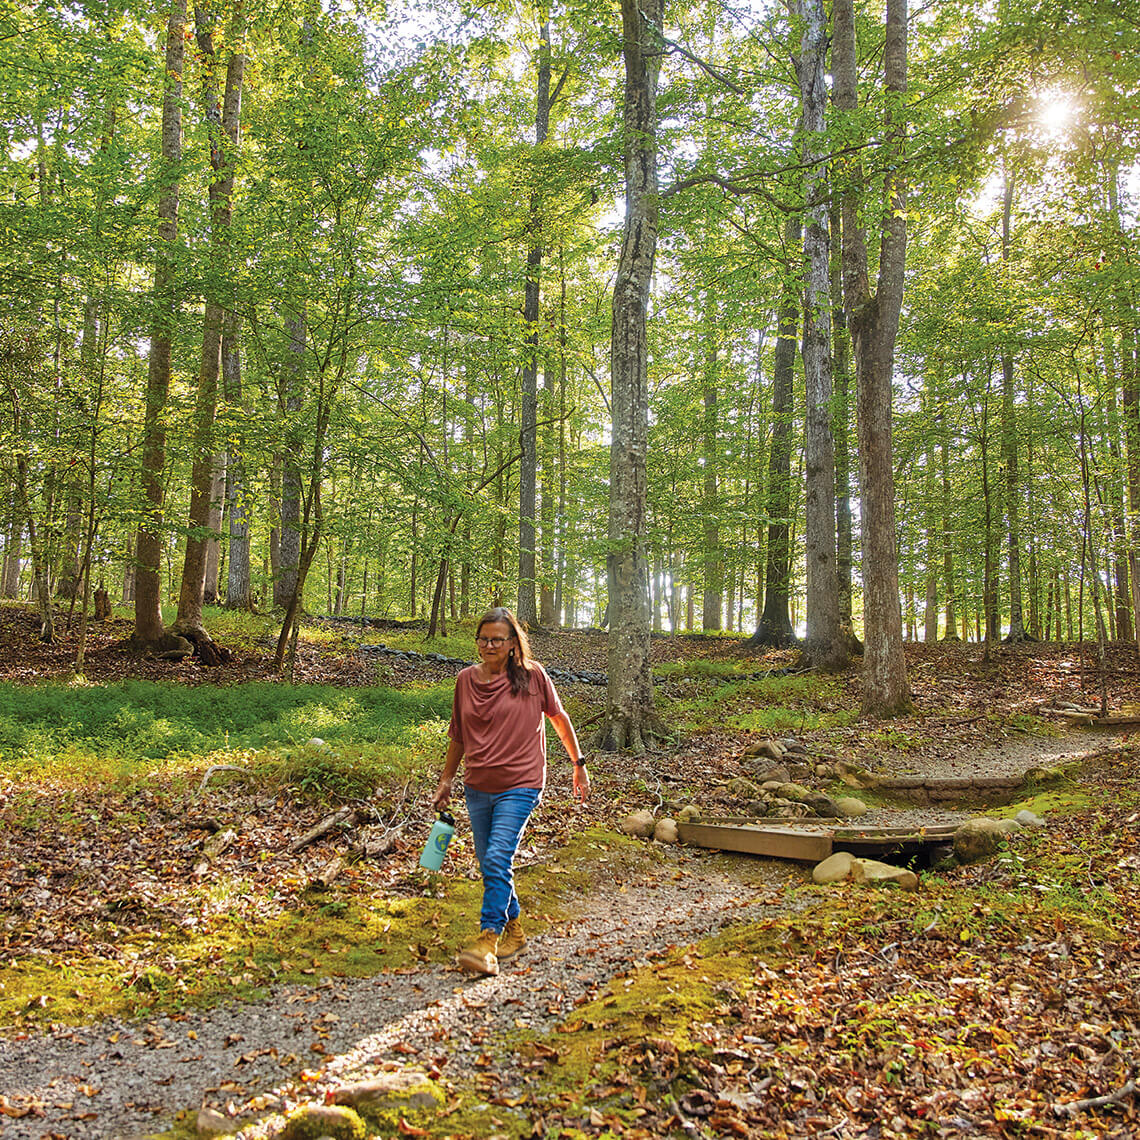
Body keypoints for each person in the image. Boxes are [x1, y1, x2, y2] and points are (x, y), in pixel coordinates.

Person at [432, 606, 589, 976]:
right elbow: (458, 734)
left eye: (497, 639)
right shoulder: (465, 681)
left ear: (513, 643)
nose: (488, 645)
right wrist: (446, 779)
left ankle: (488, 939)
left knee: (498, 857)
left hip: (522, 783)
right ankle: (515, 930)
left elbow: (559, 719)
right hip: (478, 785)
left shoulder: (534, 678)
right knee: (491, 864)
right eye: (483, 638)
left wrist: (578, 765)